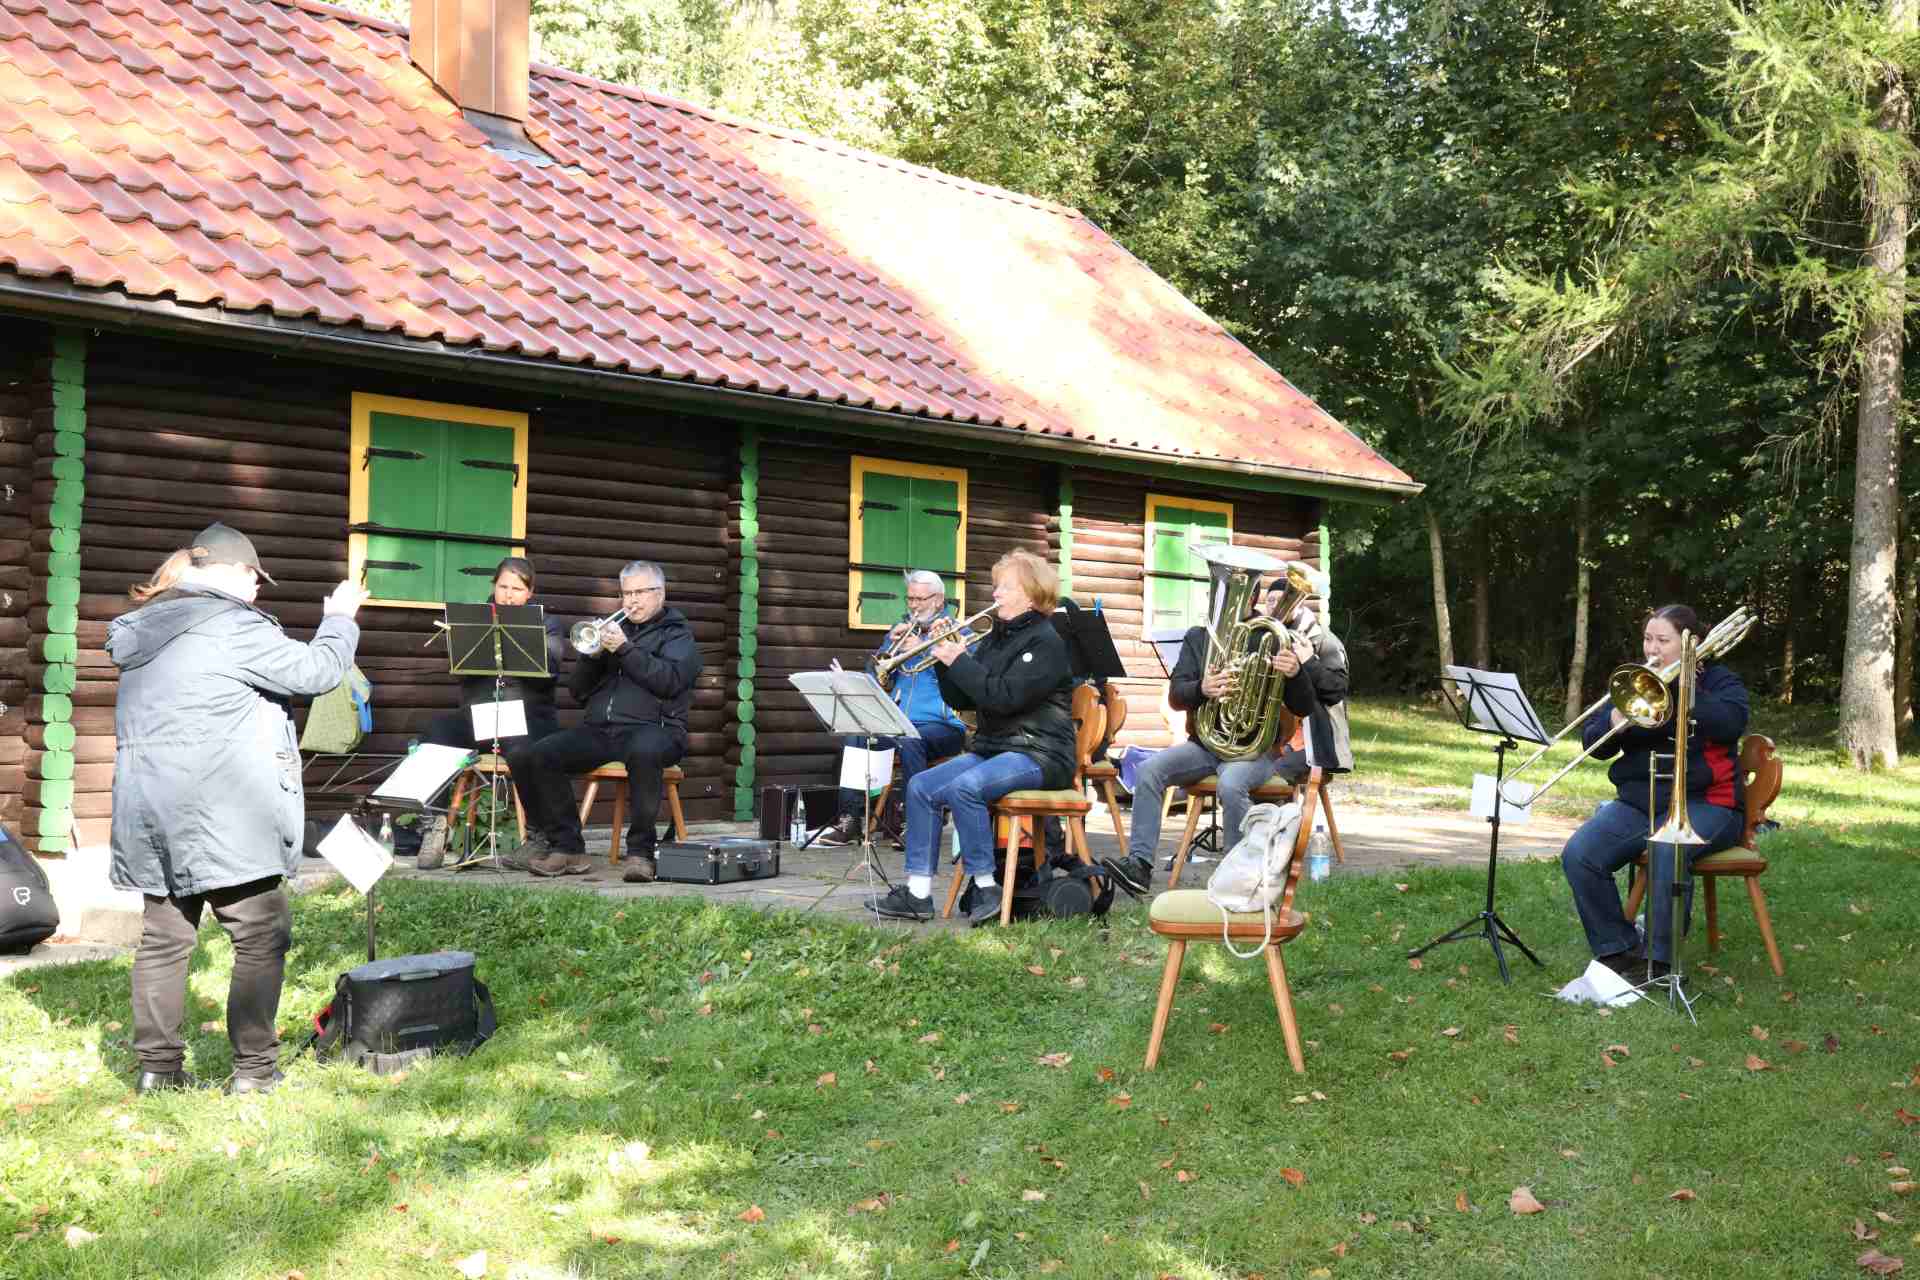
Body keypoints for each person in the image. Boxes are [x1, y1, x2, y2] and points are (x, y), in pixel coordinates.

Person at [109, 523, 366, 1095]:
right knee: (260, 935)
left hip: (152, 811)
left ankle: (158, 1070)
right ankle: (254, 1071)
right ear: (233, 572)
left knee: (165, 940)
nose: (257, 590)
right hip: (224, 812)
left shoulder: (145, 627)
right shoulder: (230, 625)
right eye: (255, 578)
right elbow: (317, 672)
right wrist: (340, 618)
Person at [1101, 572, 1347, 895]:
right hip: (1205, 745)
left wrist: (1296, 673)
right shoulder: (1198, 637)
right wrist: (1201, 688)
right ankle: (1140, 865)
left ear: (1251, 599)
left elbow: (1301, 706)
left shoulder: (1271, 638)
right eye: (1217, 593)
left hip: (1255, 750)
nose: (1221, 602)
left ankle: (1238, 877)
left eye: (1232, 594)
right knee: (1148, 771)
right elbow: (1177, 697)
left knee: (1231, 785)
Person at [867, 548, 1075, 926]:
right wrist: (944, 662)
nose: (994, 594)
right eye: (996, 586)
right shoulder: (995, 637)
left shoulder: (1046, 642)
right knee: (921, 786)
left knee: (965, 787)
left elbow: (1005, 697)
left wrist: (960, 661)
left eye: (1004, 587)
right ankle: (918, 893)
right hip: (995, 749)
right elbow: (964, 699)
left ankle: (986, 886)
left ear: (1030, 595)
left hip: (1039, 753)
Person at [1560, 604, 1749, 978]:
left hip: (1710, 803)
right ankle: (1618, 950)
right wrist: (1616, 718)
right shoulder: (1636, 682)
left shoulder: (1719, 682)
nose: (1652, 649)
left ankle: (1660, 962)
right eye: (1648, 639)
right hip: (1640, 802)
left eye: (1663, 640)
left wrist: (1682, 688)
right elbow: (1596, 746)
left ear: (1690, 643)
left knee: (1668, 846)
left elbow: (1731, 723)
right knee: (1581, 854)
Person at [515, 561, 702, 881]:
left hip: (657, 730)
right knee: (541, 754)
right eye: (626, 593)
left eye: (640, 592)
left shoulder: (677, 634)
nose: (632, 601)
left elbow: (670, 682)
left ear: (660, 593)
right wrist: (593, 657)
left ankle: (641, 853)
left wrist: (625, 650)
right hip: (603, 730)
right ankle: (567, 847)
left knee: (644, 751)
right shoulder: (612, 631)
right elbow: (577, 691)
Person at [415, 557, 568, 870]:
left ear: (530, 592)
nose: (508, 595)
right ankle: (435, 826)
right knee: (435, 731)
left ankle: (538, 835)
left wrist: (517, 644)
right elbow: (463, 673)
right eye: (503, 587)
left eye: (517, 589)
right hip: (482, 715)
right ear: (494, 586)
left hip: (526, 717)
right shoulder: (474, 621)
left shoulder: (546, 623)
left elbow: (551, 670)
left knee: (524, 752)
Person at [817, 570, 967, 848]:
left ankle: (916, 823)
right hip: (898, 721)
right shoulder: (902, 629)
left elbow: (965, 674)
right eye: (910, 599)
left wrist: (923, 648)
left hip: (943, 725)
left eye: (920, 599)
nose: (914, 605)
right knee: (857, 737)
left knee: (911, 742)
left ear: (938, 599)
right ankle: (850, 820)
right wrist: (889, 645)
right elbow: (876, 678)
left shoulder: (957, 631)